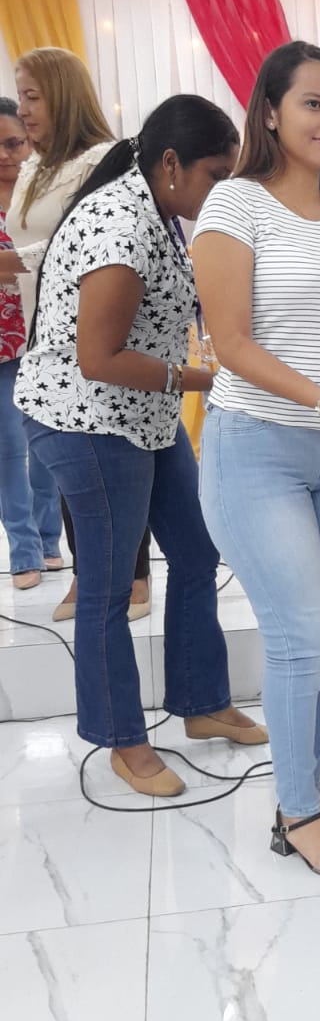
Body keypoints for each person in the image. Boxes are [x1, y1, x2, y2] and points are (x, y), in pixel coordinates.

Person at [15, 95, 267, 796]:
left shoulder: (159, 208)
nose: (222, 190)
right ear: (171, 163)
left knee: (196, 552)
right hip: (86, 419)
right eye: (216, 175)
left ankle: (201, 701)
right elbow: (98, 358)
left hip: (143, 415)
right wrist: (202, 379)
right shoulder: (120, 227)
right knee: (107, 585)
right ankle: (122, 738)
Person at [192, 40, 320, 881]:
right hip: (257, 449)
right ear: (270, 112)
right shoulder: (234, 204)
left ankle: (302, 795)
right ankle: (299, 811)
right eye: (313, 103)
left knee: (318, 638)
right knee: (298, 636)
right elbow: (231, 343)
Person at [0, 47, 152, 618]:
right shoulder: (36, 166)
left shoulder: (104, 160)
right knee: (70, 463)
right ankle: (89, 572)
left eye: (33, 96)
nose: (24, 109)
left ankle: (134, 578)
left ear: (63, 95)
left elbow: (93, 240)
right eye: (21, 95)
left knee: (114, 453)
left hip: (94, 328)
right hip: (44, 337)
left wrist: (13, 263)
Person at [0, 97, 62, 588]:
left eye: (13, 143)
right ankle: (23, 550)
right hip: (1, 346)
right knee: (8, 445)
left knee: (46, 447)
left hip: (46, 337)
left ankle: (48, 539)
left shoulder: (46, 197)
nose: (5, 155)